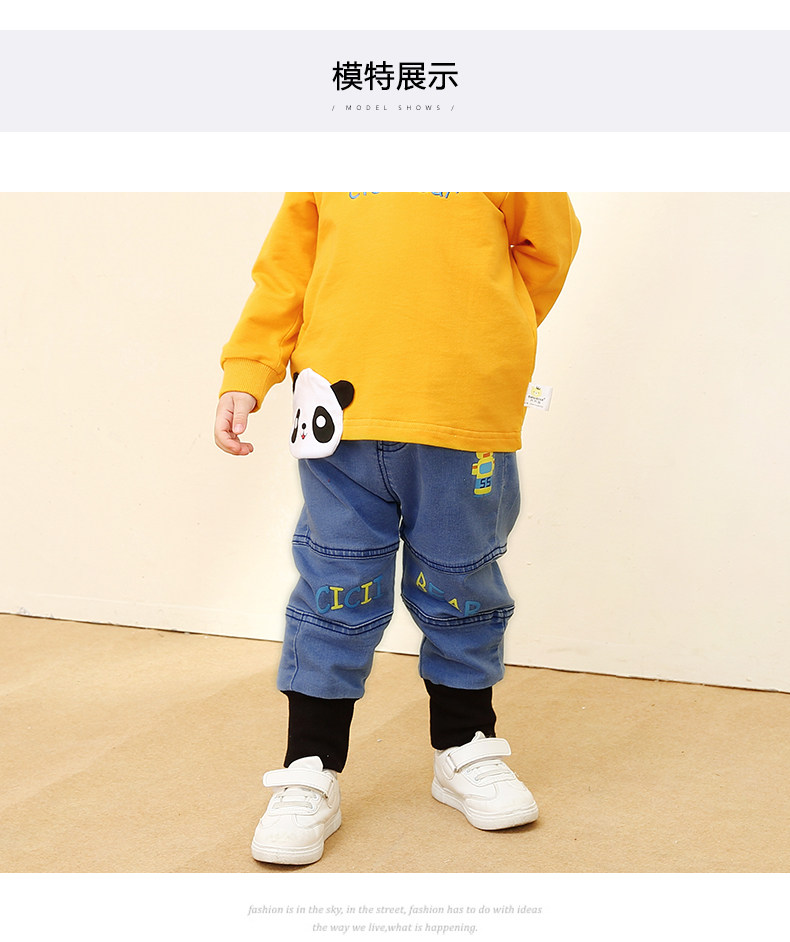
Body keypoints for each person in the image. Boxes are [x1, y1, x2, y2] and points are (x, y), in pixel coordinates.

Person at [214, 192, 581, 866]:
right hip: (338, 417)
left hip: (462, 414)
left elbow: (547, 250)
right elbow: (286, 271)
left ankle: (465, 744)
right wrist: (249, 369)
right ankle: (310, 764)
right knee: (335, 586)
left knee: (461, 582)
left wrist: (484, 335)